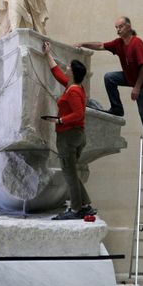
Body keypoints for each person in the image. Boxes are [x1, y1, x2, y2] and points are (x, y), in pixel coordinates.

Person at [76, 17, 143, 155]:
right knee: (109, 77)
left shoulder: (137, 43)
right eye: (116, 28)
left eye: (120, 27)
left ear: (128, 27)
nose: (118, 30)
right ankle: (117, 108)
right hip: (130, 77)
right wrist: (82, 43)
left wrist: (137, 88)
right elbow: (101, 45)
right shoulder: (119, 43)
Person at [43, 41, 96, 220]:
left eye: (69, 67)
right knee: (71, 171)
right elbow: (58, 74)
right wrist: (47, 54)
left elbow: (79, 114)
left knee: (69, 174)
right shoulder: (74, 86)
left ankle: (75, 209)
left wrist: (59, 120)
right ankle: (86, 204)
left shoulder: (72, 91)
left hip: (69, 135)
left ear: (73, 73)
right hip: (76, 135)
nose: (66, 68)